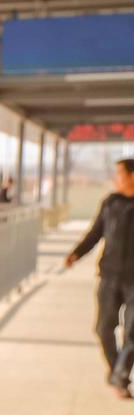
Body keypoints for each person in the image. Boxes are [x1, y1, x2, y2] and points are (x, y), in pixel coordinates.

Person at [64, 157, 134, 399]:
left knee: (132, 333)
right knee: (103, 328)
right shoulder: (110, 203)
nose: (116, 179)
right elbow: (96, 233)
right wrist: (76, 253)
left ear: (132, 176)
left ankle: (120, 378)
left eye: (120, 174)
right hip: (110, 276)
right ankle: (116, 370)